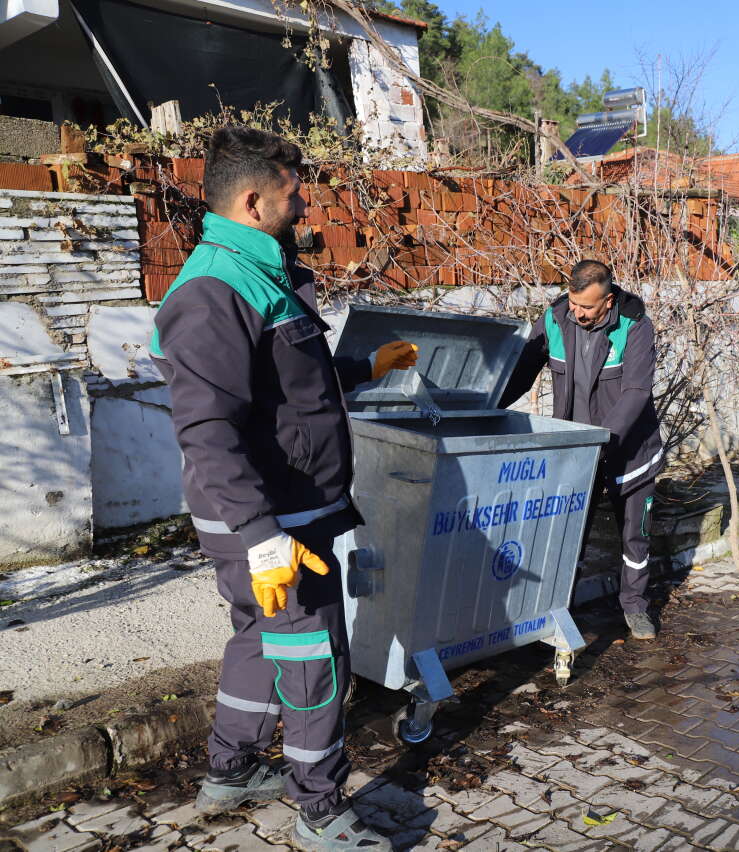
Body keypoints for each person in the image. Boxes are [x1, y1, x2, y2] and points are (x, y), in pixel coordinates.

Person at [150, 126, 417, 851]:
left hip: (287, 509)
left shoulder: (261, 270)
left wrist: (366, 368)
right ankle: (320, 808)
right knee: (312, 656)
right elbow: (205, 429)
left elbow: (288, 386)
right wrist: (263, 538)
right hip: (274, 520)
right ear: (251, 199)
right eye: (294, 192)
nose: (304, 204)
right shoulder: (212, 291)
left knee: (256, 638)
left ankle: (231, 771)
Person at [500, 260, 664, 640]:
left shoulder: (635, 325)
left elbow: (637, 392)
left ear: (608, 301)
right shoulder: (556, 319)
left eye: (587, 307)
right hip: (575, 453)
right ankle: (557, 611)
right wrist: (485, 406)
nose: (578, 313)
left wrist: (603, 440)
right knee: (567, 534)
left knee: (634, 536)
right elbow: (522, 372)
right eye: (574, 303)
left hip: (629, 450)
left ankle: (636, 608)